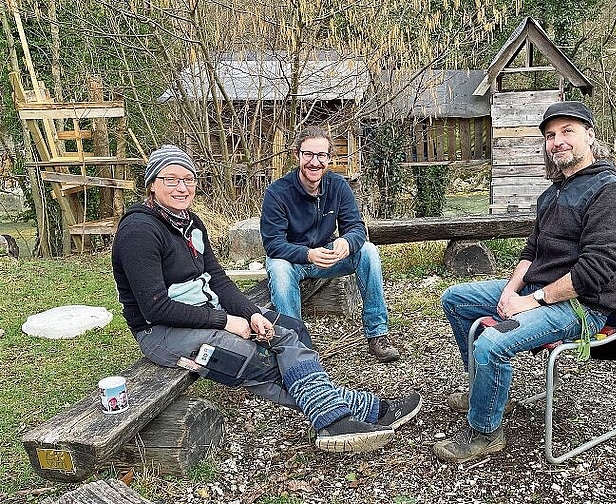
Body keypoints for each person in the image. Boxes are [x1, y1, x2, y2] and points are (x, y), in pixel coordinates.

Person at [112, 144, 422, 453]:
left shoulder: (190, 223)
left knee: (288, 330)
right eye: (171, 180)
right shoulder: (139, 231)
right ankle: (365, 412)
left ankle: (338, 419)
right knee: (259, 360)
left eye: (189, 179)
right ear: (152, 184)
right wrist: (226, 321)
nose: (182, 188)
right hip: (163, 333)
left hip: (205, 312)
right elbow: (155, 308)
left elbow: (218, 280)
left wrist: (250, 314)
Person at [432, 102, 616, 463]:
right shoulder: (553, 193)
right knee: (455, 298)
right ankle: (488, 391)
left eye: (567, 131)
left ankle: (485, 432)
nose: (557, 141)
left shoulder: (611, 193)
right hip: (538, 292)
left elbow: (594, 271)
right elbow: (530, 253)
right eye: (550, 135)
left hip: (582, 307)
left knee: (491, 343)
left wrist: (530, 302)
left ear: (590, 136)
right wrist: (511, 290)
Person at [260, 126, 399, 363]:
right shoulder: (277, 192)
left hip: (326, 255)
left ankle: (377, 334)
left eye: (321, 155)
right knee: (279, 268)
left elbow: (356, 228)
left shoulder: (338, 186)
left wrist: (346, 240)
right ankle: (295, 346)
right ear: (297, 155)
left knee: (368, 251)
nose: (314, 162)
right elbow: (273, 245)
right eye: (308, 155)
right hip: (292, 260)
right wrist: (307, 254)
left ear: (329, 157)